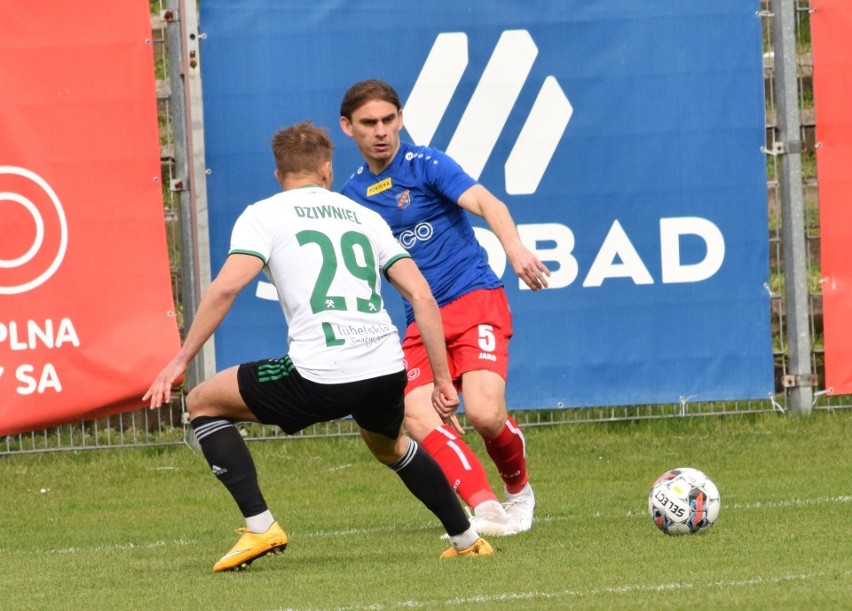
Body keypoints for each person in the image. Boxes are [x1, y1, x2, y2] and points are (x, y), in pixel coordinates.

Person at [143, 121, 493, 572]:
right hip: (386, 367)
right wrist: (442, 381)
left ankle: (260, 524)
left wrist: (180, 360)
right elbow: (422, 296)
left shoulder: (264, 214)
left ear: (278, 175)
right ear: (327, 169)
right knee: (392, 447)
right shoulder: (365, 216)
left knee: (202, 403)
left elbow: (227, 288)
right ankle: (467, 539)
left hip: (320, 373)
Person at [339, 79, 551, 536]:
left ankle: (519, 492)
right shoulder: (350, 198)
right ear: (347, 128)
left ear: (400, 119)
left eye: (389, 120)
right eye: (369, 123)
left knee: (484, 414)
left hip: (474, 297)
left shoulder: (425, 163)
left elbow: (484, 201)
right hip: (421, 319)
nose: (381, 131)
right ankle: (486, 507)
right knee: (416, 414)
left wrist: (513, 248)